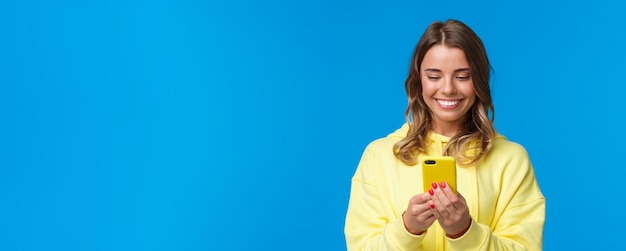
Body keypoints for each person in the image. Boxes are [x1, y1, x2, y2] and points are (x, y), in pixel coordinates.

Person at [344, 19, 545, 251]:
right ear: (418, 81)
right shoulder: (379, 157)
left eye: (462, 76)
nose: (448, 88)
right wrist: (407, 228)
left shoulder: (512, 160)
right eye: (434, 76)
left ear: (479, 81)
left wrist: (465, 231)